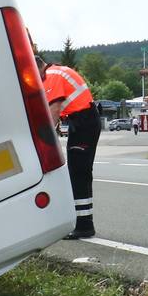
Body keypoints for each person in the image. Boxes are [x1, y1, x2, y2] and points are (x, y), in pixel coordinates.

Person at [38, 52, 100, 238]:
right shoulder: (58, 70)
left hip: (83, 122)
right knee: (80, 172)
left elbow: (54, 109)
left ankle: (84, 226)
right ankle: (83, 222)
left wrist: (45, 140)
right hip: (83, 122)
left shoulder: (52, 76)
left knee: (78, 173)